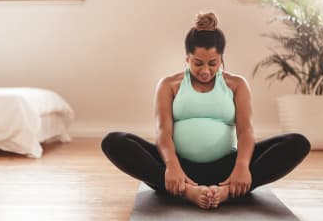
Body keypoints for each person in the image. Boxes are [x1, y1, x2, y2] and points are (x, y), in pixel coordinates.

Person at [101, 12, 311, 209]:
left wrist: (242, 166)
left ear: (221, 58)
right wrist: (172, 167)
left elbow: (246, 131)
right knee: (114, 141)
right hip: (178, 169)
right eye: (197, 63)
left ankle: (227, 191)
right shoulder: (169, 85)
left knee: (297, 143)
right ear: (187, 58)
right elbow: (163, 132)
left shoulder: (236, 85)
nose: (205, 70)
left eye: (213, 63)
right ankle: (187, 191)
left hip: (226, 169)